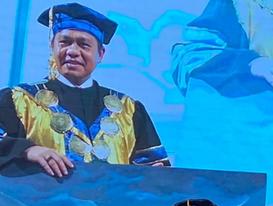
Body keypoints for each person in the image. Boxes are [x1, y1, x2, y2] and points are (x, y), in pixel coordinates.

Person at [0, 3, 170, 176]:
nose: (72, 51)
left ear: (101, 54)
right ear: (52, 46)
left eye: (84, 45)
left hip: (112, 195)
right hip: (41, 194)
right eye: (64, 42)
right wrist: (27, 150)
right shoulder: (19, 100)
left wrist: (156, 175)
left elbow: (155, 171)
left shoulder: (128, 110)